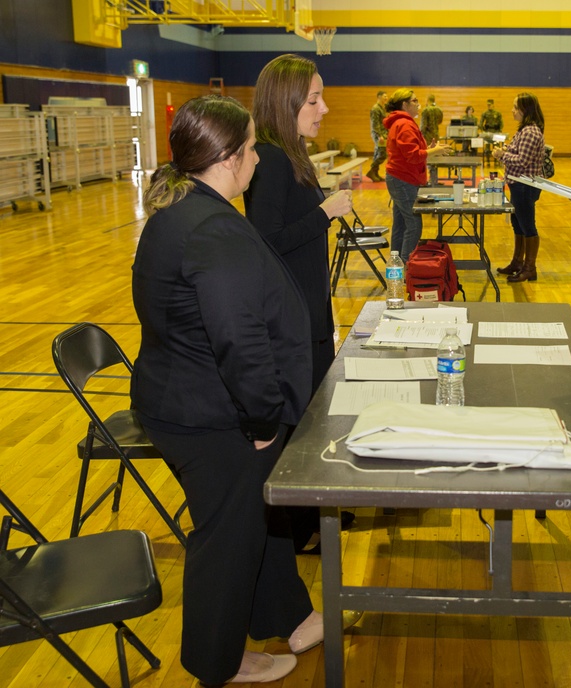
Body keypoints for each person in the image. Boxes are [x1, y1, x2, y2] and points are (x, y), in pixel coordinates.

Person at [132, 94, 324, 685]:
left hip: (190, 400)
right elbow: (238, 341)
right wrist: (263, 422)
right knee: (227, 538)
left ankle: (286, 614)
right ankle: (219, 660)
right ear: (227, 158)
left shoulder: (186, 209)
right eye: (250, 152)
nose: (258, 163)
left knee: (252, 517)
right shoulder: (212, 231)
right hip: (211, 416)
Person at [243, 54, 355, 550]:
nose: (324, 108)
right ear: (286, 103)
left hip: (309, 311)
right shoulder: (266, 158)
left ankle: (310, 517)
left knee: (315, 418)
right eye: (313, 99)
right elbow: (264, 240)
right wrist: (325, 213)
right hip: (290, 319)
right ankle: (296, 531)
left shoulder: (290, 153)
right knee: (301, 425)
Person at [384, 89, 452, 260]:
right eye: (414, 101)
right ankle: (407, 265)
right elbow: (413, 156)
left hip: (400, 177)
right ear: (404, 104)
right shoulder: (404, 124)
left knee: (401, 225)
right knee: (414, 224)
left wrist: (429, 149)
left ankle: (397, 265)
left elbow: (411, 152)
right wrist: (434, 150)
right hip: (403, 180)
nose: (418, 104)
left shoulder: (402, 122)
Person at [493, 92, 546, 283]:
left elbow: (522, 161)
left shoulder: (530, 132)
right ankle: (518, 262)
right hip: (518, 185)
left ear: (525, 110)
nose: (512, 111)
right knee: (518, 224)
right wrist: (507, 150)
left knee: (527, 226)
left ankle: (529, 268)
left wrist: (501, 155)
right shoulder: (524, 130)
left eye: (515, 107)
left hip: (525, 186)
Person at [368, 90, 389, 182]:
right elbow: (375, 124)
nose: (386, 98)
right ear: (379, 97)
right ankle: (372, 171)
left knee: (378, 153)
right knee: (382, 153)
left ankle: (375, 174)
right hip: (379, 135)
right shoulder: (376, 108)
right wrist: (379, 136)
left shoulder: (381, 108)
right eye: (384, 96)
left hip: (382, 134)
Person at [480, 98, 504, 166]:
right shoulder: (485, 113)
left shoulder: (497, 113)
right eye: (487, 105)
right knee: (487, 149)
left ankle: (497, 161)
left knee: (496, 147)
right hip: (488, 132)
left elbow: (501, 122)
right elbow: (481, 122)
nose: (489, 106)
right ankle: (487, 161)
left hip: (496, 132)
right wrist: (483, 130)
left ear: (493, 105)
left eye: (490, 105)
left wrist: (500, 130)